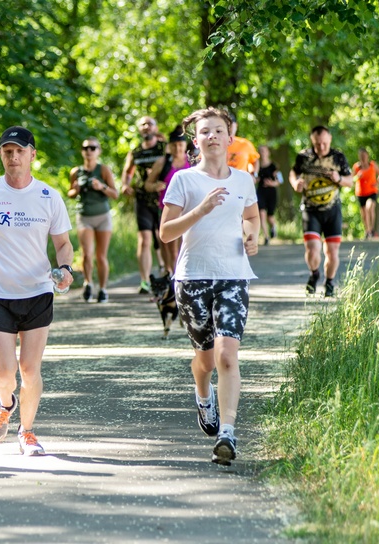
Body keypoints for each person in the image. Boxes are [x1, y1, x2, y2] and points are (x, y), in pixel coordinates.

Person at [0, 126, 74, 456]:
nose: (13, 156)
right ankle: (6, 403)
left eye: (20, 150)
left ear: (32, 154)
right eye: (7, 151)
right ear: (1, 156)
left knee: (30, 369)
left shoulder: (49, 196)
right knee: (4, 373)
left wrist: (65, 270)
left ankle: (28, 432)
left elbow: (63, 244)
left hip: (37, 292)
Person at [159, 107, 259, 466]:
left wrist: (252, 238)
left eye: (219, 130)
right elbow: (166, 232)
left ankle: (228, 433)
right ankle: (203, 395)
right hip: (192, 278)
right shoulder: (184, 181)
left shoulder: (243, 180)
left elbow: (251, 217)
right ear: (196, 139)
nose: (212, 136)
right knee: (204, 360)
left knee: (227, 355)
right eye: (205, 131)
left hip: (233, 276)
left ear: (230, 138)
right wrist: (199, 210)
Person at [289, 126, 353, 297]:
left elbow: (350, 181)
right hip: (310, 210)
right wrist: (295, 183)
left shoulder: (338, 157)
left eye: (324, 143)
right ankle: (314, 273)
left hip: (332, 210)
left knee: (332, 251)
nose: (322, 147)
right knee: (312, 248)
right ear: (312, 141)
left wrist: (339, 179)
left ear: (330, 139)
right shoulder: (304, 157)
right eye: (318, 144)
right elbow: (293, 173)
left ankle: (330, 282)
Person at [67, 136, 118, 303]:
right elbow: (71, 193)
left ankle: (103, 289)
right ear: (82, 151)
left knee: (100, 256)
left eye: (93, 148)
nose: (89, 151)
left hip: (102, 216)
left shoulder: (103, 170)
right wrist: (76, 189)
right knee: (87, 254)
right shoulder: (76, 171)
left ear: (98, 151)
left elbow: (115, 194)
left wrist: (101, 187)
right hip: (84, 216)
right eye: (86, 148)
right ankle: (88, 284)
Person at [122, 116, 166, 294]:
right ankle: (145, 280)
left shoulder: (164, 148)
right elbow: (127, 172)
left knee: (164, 239)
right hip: (142, 199)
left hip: (163, 198)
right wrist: (125, 184)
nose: (146, 127)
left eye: (150, 124)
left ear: (156, 128)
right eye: (143, 125)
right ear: (139, 129)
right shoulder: (135, 152)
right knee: (145, 240)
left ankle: (168, 273)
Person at [145, 125, 191, 276]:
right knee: (169, 246)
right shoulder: (162, 162)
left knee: (185, 244)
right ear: (169, 146)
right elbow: (147, 184)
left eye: (181, 145)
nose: (178, 148)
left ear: (185, 145)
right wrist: (156, 186)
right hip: (167, 209)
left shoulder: (193, 162)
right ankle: (172, 275)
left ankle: (183, 275)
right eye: (174, 145)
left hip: (188, 209)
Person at [352, 147, 379, 239]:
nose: (363, 158)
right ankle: (368, 231)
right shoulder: (356, 167)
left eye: (364, 156)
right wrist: (357, 176)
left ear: (367, 156)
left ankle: (371, 229)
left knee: (370, 207)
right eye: (361, 156)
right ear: (359, 157)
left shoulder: (373, 165)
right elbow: (351, 180)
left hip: (372, 192)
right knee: (364, 214)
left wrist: (377, 183)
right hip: (361, 193)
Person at [256, 145, 283, 245]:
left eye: (264, 151)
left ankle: (273, 227)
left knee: (269, 216)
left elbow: (280, 180)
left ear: (268, 152)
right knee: (261, 214)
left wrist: (272, 183)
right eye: (260, 151)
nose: (262, 153)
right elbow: (255, 177)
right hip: (261, 192)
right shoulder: (257, 165)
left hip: (271, 193)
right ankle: (266, 237)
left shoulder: (274, 166)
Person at [225, 110, 260, 182]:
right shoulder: (216, 144)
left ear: (236, 125)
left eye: (231, 123)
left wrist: (254, 175)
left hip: (242, 182)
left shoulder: (245, 144)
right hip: (221, 183)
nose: (229, 127)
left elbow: (255, 161)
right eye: (226, 124)